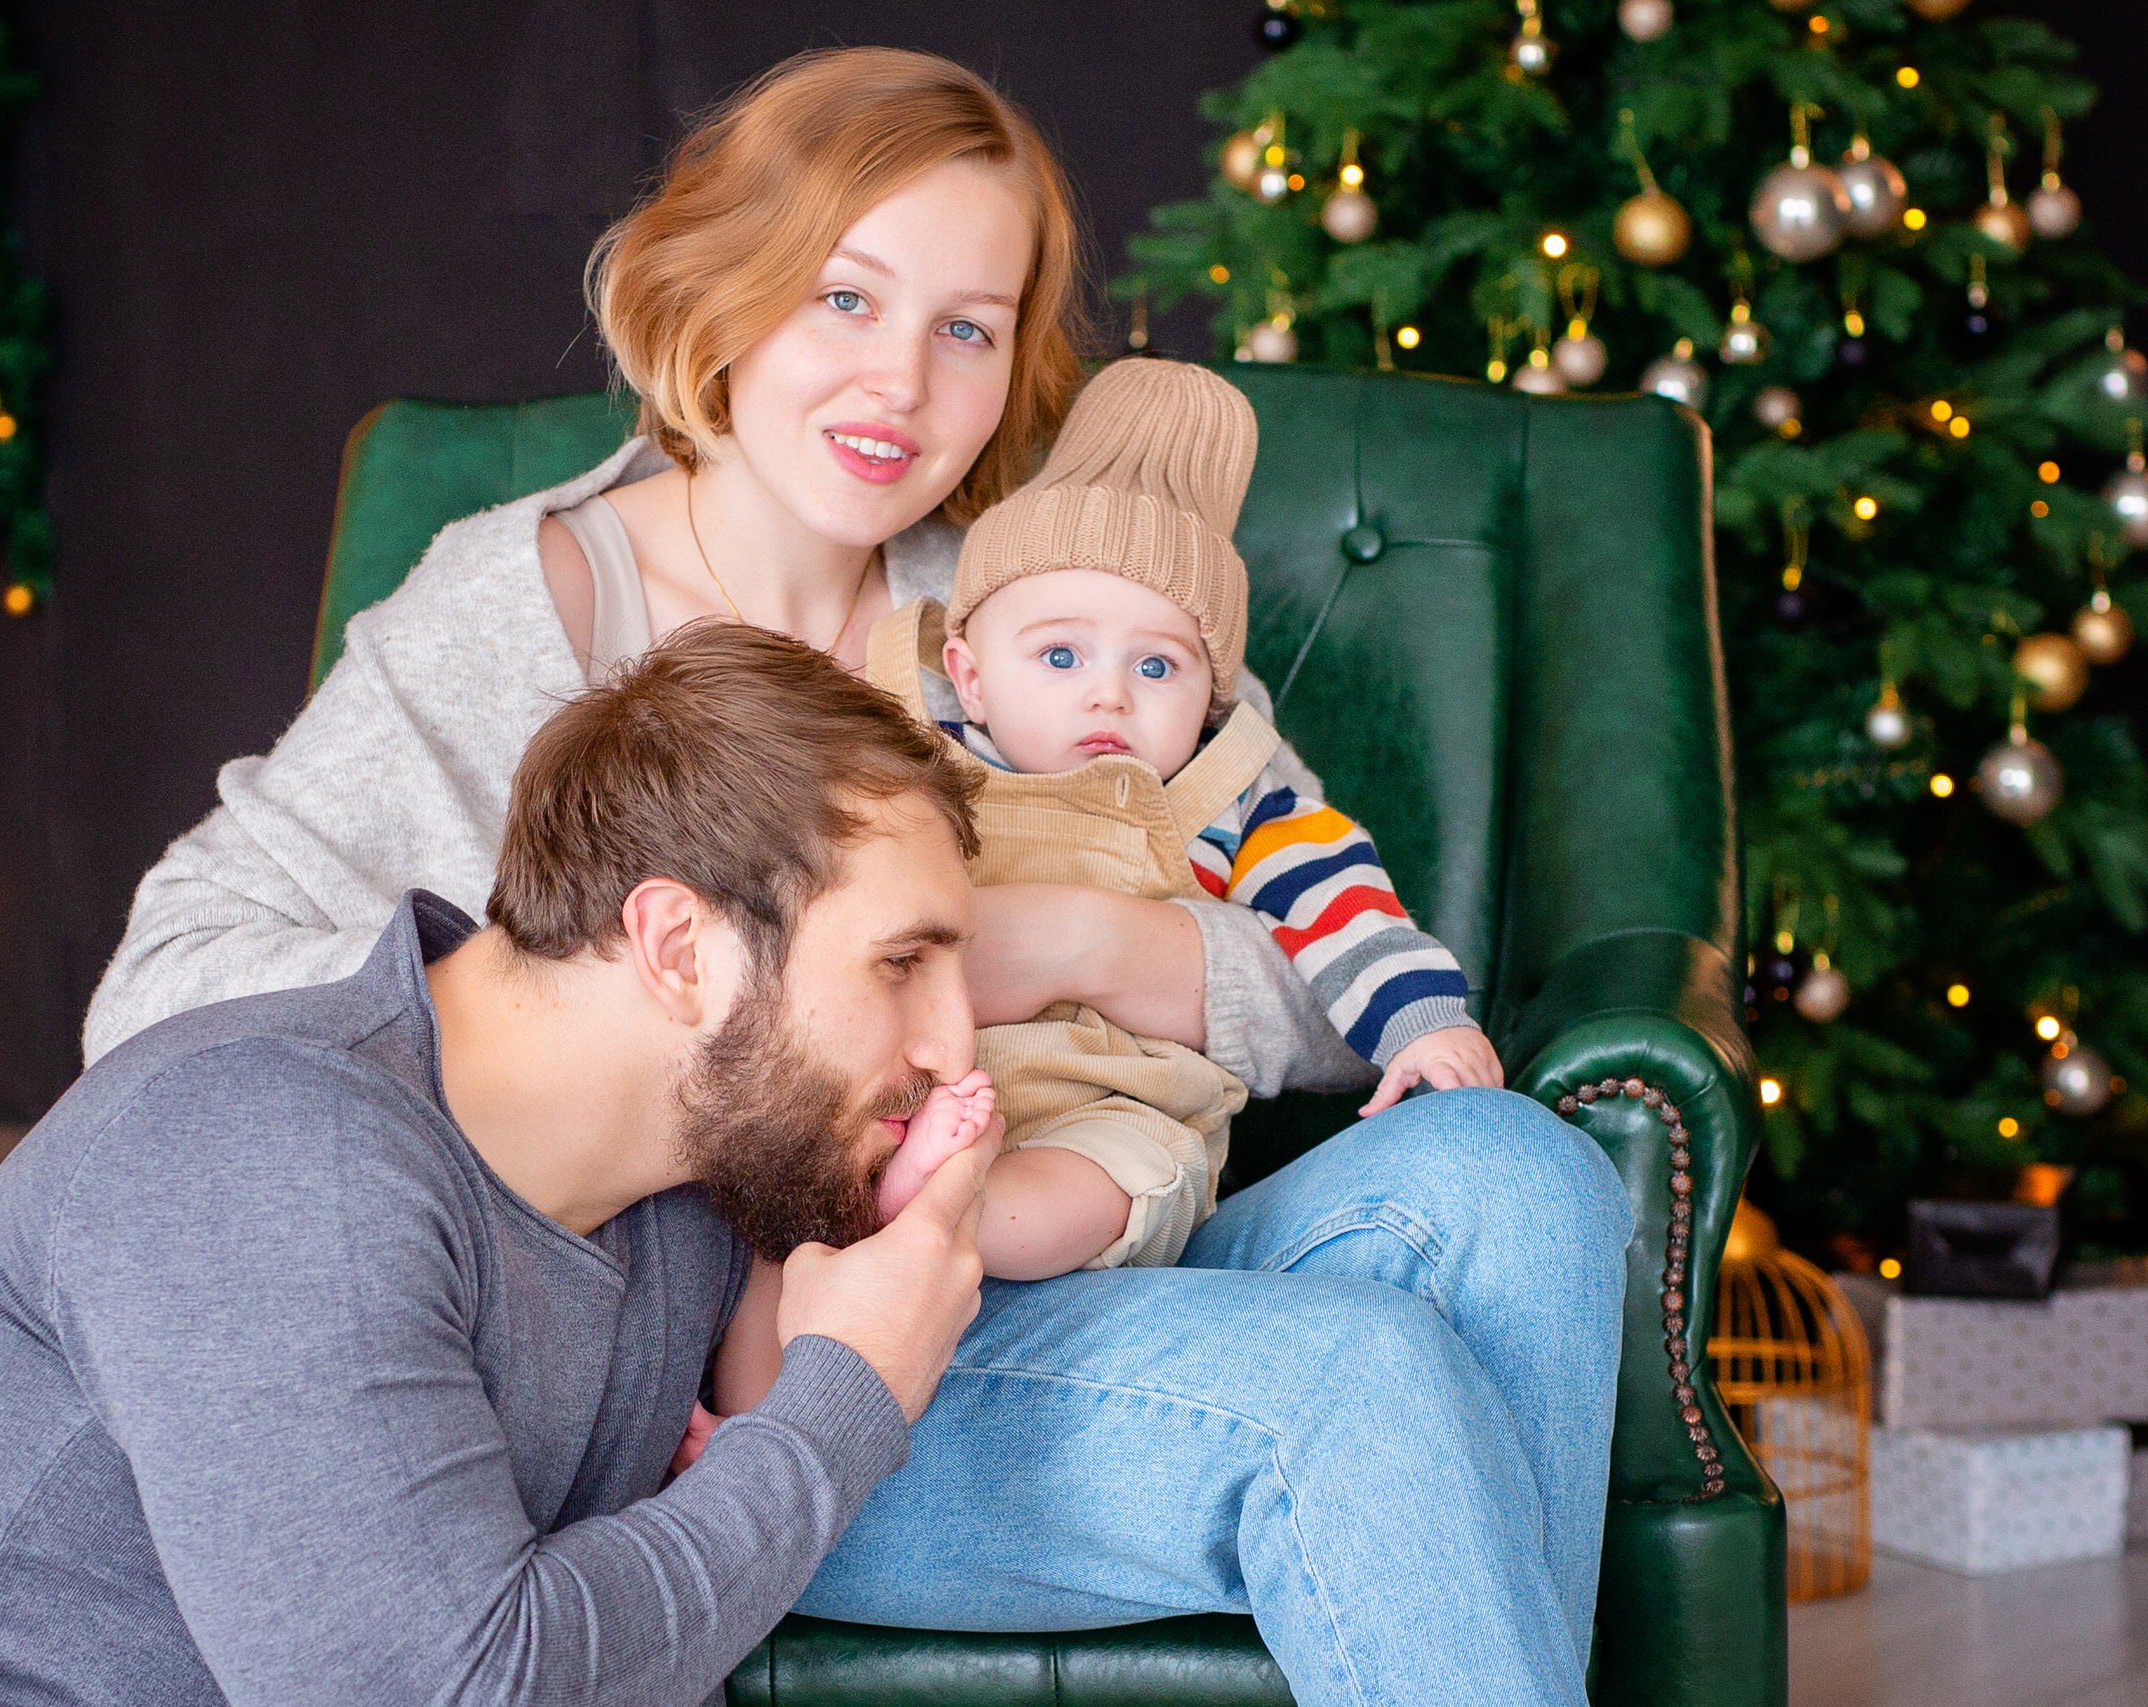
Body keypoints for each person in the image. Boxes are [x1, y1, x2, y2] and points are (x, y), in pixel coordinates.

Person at [83, 46, 1634, 1704]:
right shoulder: (527, 606)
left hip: (1082, 1229)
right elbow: (157, 999)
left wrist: (1072, 941)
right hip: (766, 1365)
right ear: (722, 291)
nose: (900, 382)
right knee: (1363, 1386)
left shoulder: (1045, 595)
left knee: (1522, 1174)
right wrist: (627, 972)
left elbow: (1326, 968)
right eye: (843, 295)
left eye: (967, 326)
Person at [0, 626, 1003, 1706]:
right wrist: (846, 1396)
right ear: (678, 944)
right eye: (902, 965)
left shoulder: (676, 1202)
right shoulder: (259, 1152)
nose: (954, 1047)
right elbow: (455, 1690)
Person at [858, 356, 1498, 1281]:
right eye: (1062, 655)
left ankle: (958, 1210)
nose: (1108, 696)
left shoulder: (1234, 800)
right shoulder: (899, 756)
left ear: (1210, 697)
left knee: (1124, 1174)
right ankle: (890, 1203)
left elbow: (1345, 905)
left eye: (1156, 667)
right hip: (908, 1078)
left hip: (1114, 1104)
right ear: (969, 676)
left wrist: (1422, 1022)